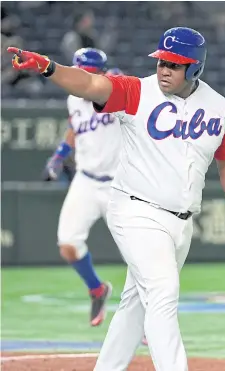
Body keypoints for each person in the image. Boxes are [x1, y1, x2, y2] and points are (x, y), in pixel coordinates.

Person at [8, 26, 225, 371]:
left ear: (195, 68)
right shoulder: (137, 90)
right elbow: (91, 85)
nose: (164, 70)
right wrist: (49, 67)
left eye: (174, 64)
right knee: (163, 290)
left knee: (135, 305)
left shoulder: (219, 108)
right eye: (161, 62)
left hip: (181, 223)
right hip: (135, 210)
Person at [42, 47, 122, 327]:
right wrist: (59, 155)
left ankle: (146, 319)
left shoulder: (113, 88)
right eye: (80, 73)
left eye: (89, 74)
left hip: (120, 185)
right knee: (68, 245)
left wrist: (111, 77)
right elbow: (74, 128)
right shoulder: (73, 99)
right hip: (86, 180)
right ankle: (97, 289)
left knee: (139, 256)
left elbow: (124, 84)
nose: (83, 79)